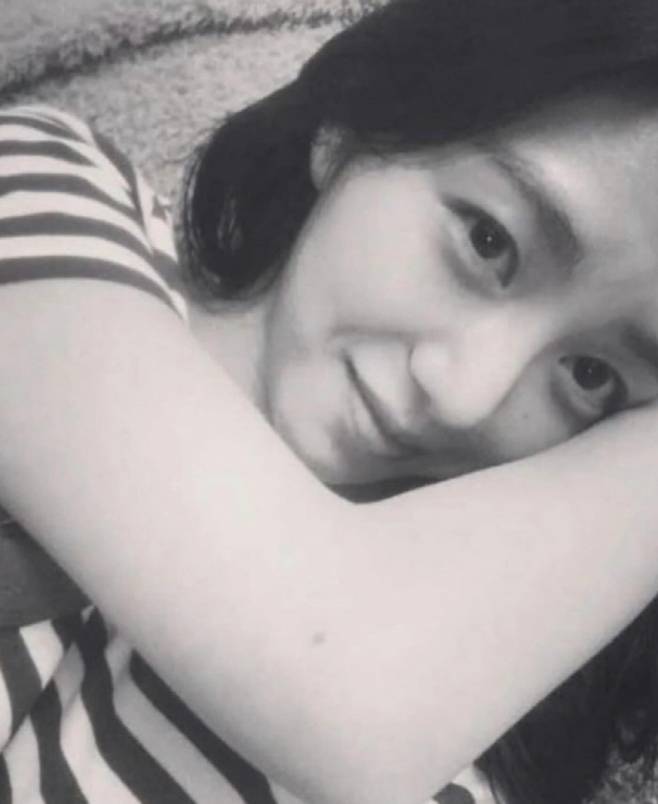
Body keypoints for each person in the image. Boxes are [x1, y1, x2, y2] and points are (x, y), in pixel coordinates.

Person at [2, 1, 658, 803]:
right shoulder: (53, 192)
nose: (465, 394)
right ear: (351, 127)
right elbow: (341, 682)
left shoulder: (453, 760)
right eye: (488, 240)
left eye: (590, 374)